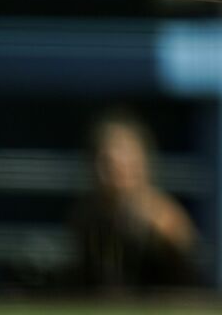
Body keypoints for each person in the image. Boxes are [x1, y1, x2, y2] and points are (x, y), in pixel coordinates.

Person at [68, 110, 197, 292]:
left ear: (142, 163)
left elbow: (188, 285)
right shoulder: (87, 216)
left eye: (125, 162)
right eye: (107, 163)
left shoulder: (164, 223)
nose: (116, 172)